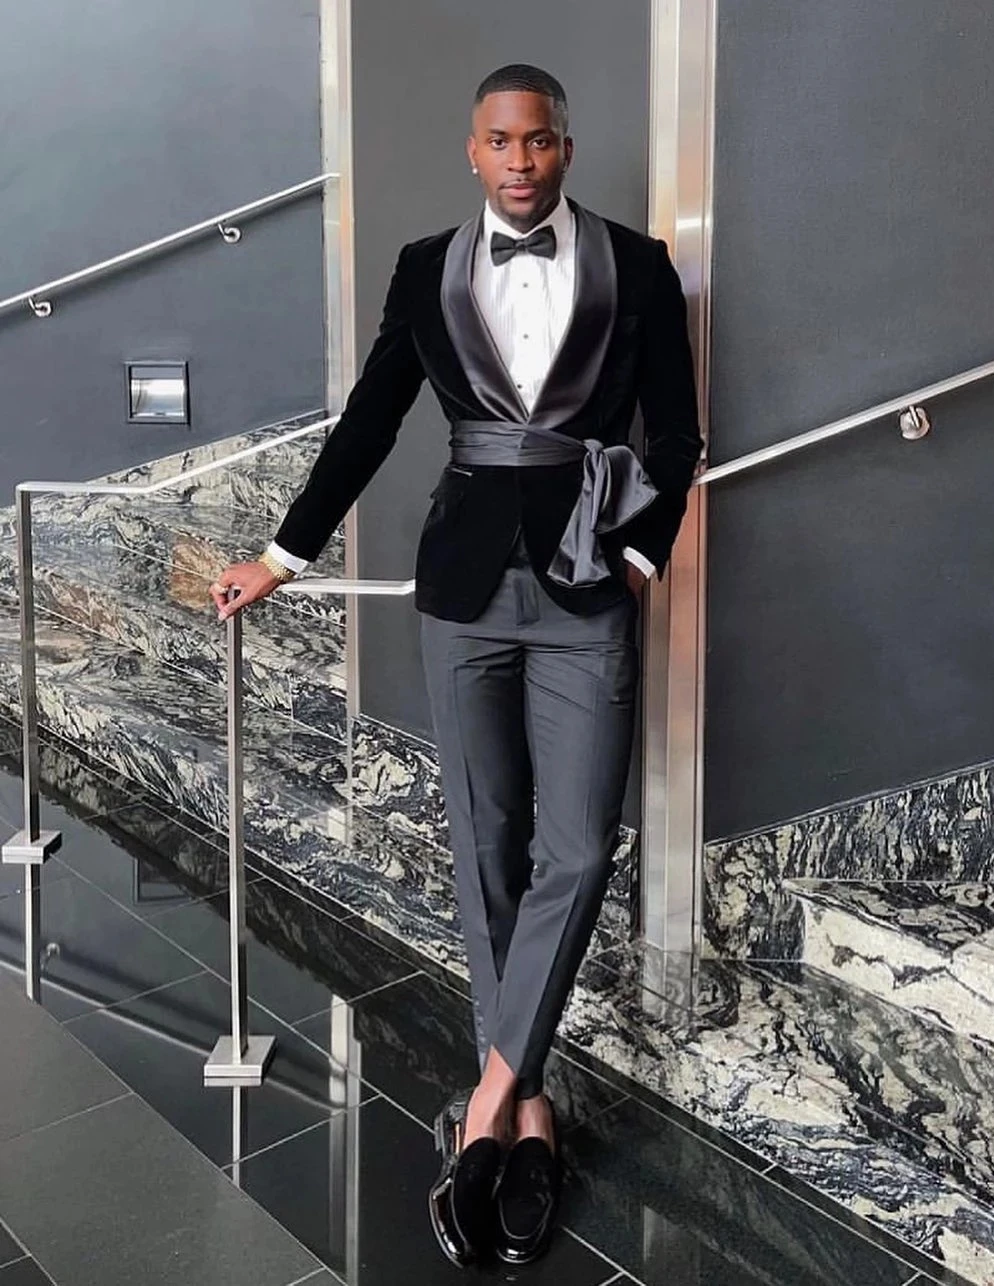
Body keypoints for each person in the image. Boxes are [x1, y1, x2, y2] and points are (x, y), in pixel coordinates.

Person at [210, 62, 701, 1268]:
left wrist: (639, 554)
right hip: (463, 589)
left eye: (538, 140)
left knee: (576, 844)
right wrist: (280, 553)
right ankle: (530, 1111)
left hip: (585, 582)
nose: (519, 160)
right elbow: (372, 418)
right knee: (485, 837)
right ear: (471, 151)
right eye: (499, 141)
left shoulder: (639, 265)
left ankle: (484, 1101)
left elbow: (677, 433)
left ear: (563, 147)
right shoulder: (423, 266)